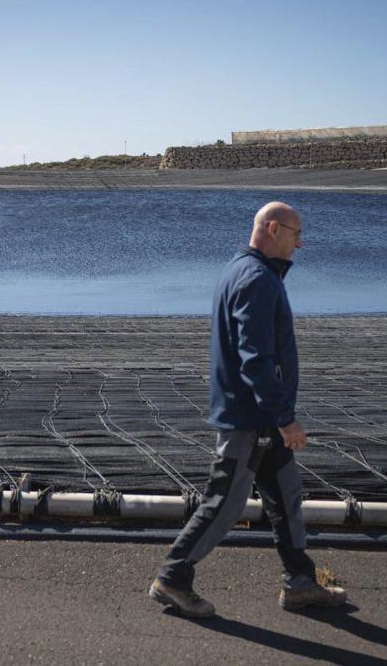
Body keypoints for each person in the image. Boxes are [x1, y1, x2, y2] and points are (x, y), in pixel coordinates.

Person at [149, 201, 347, 619]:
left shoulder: (243, 269)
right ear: (273, 228)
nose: (300, 243)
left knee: (285, 495)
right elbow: (254, 357)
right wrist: (283, 417)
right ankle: (173, 576)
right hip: (251, 417)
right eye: (296, 234)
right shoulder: (257, 278)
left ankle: (300, 583)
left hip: (259, 415)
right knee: (226, 501)